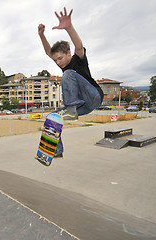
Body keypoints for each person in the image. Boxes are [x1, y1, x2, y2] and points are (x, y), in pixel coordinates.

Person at [38, 7, 103, 158]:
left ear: (68, 53)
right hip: (83, 106)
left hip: (93, 95)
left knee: (67, 74)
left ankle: (71, 110)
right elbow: (49, 52)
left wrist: (69, 27)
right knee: (51, 119)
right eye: (55, 60)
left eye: (60, 58)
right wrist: (41, 35)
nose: (58, 62)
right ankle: (57, 150)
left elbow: (78, 46)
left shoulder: (77, 59)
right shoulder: (61, 63)